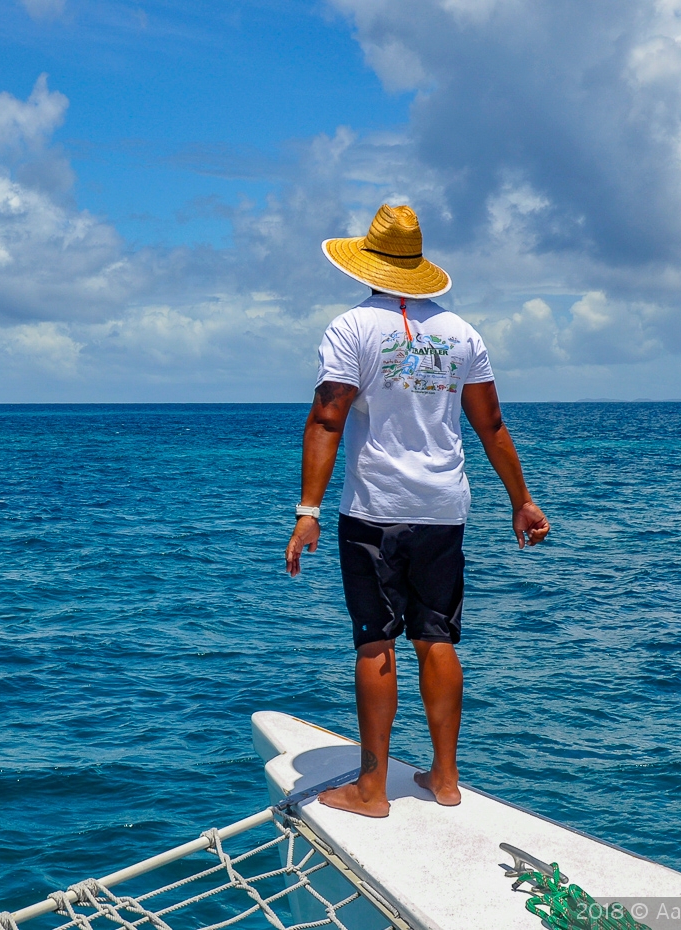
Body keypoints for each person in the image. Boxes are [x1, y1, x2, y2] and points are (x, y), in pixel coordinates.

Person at [285, 204, 550, 818]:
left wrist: (308, 510)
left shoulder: (350, 329)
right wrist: (522, 500)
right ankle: (446, 779)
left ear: (368, 264)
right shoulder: (462, 333)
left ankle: (372, 790)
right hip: (444, 508)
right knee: (437, 638)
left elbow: (328, 417)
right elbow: (491, 425)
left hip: (375, 510)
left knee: (376, 641)